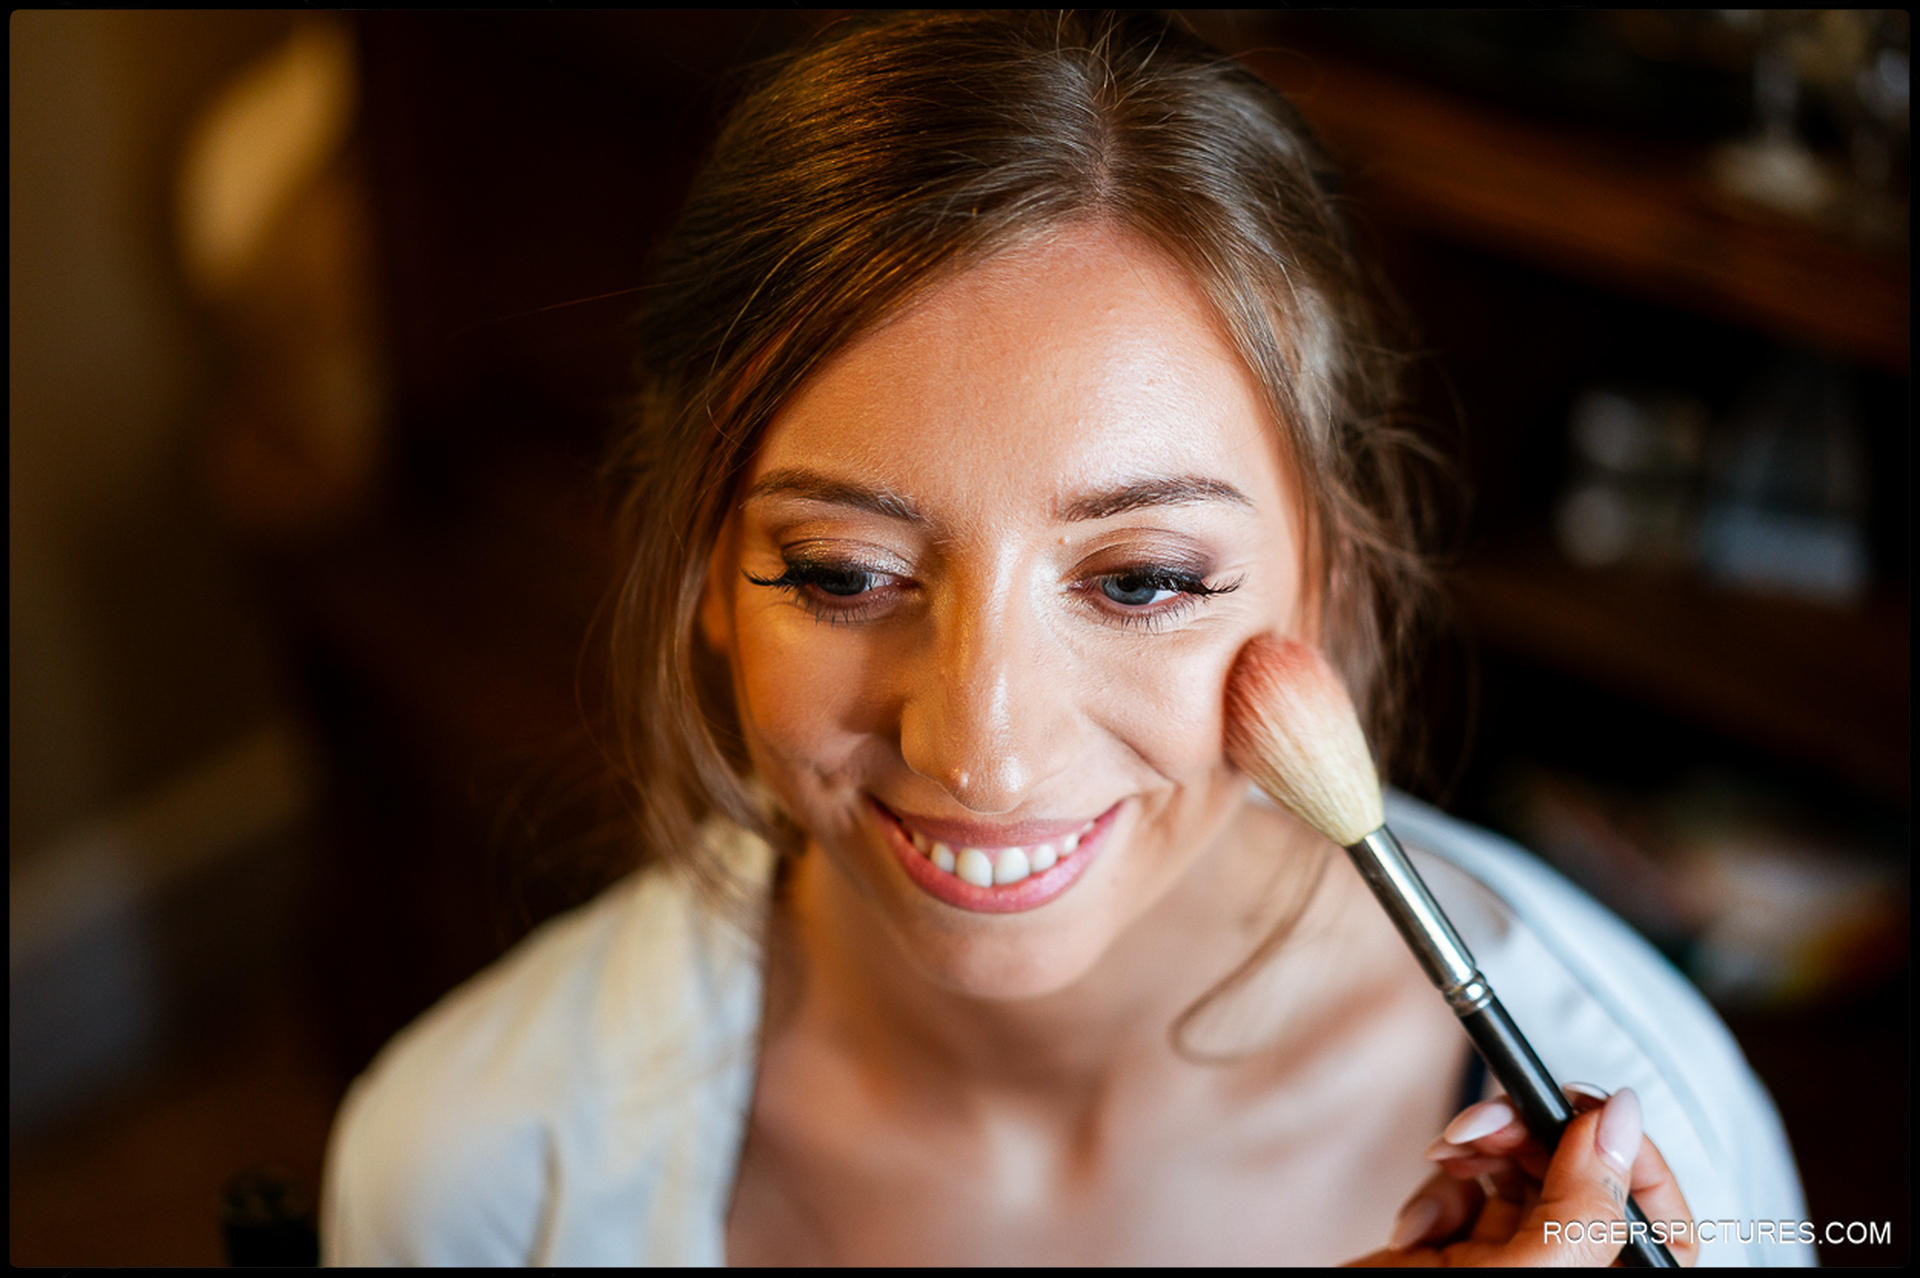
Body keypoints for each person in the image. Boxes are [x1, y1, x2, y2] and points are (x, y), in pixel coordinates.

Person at [321, 12, 1807, 1266]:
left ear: (1330, 574)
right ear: (705, 570)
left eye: (1144, 579)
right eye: (843, 569)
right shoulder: (475, 1174)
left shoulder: (1662, 1140)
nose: (984, 741)